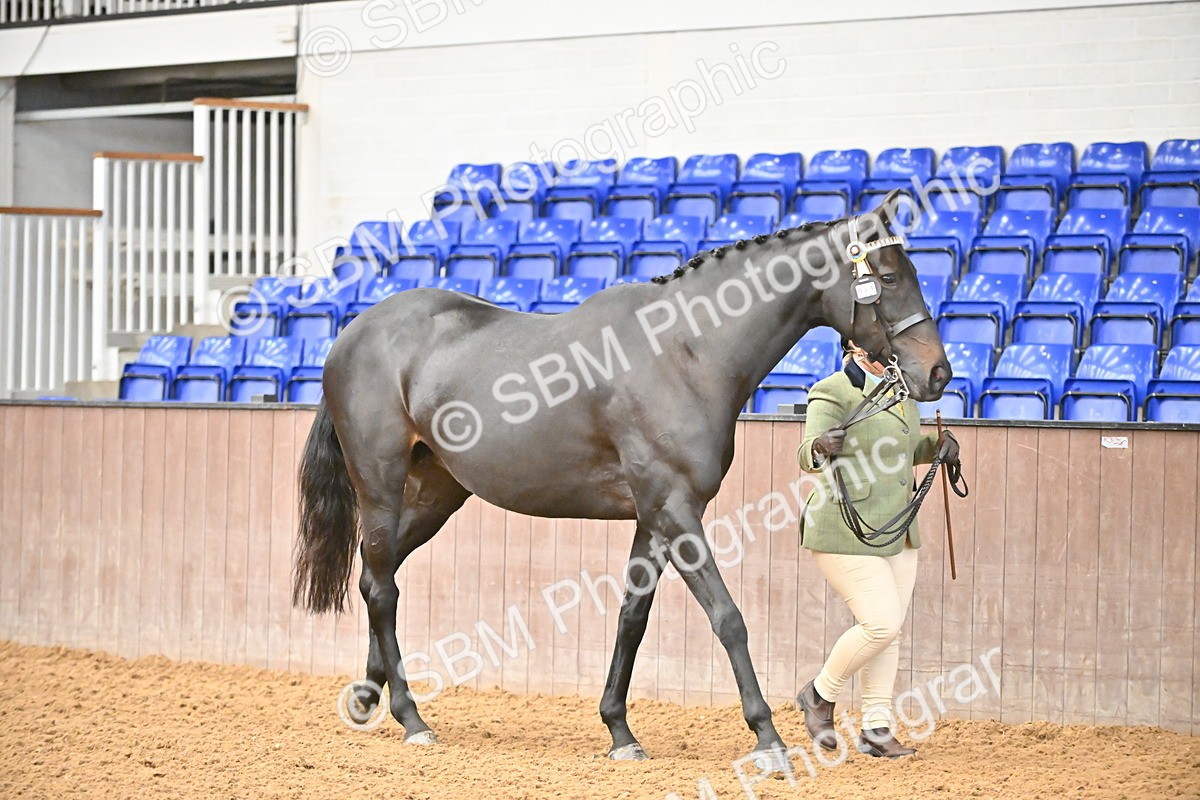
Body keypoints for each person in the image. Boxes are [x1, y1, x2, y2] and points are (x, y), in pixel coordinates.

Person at [794, 338, 959, 758]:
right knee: (881, 623)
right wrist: (820, 446)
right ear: (855, 346)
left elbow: (904, 451)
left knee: (890, 632)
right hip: (843, 525)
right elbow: (807, 454)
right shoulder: (833, 390)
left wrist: (936, 447)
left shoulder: (902, 390)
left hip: (897, 525)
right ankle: (819, 694)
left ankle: (876, 727)